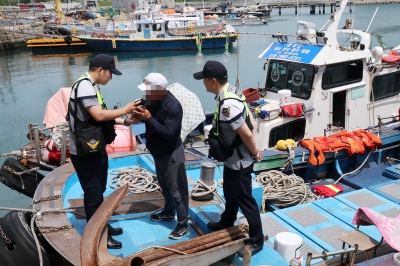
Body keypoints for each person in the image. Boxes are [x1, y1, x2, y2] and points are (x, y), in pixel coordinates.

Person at [67, 54, 139, 249]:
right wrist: (125, 109)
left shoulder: (92, 86)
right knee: (93, 194)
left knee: (99, 190)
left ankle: (102, 226)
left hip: (94, 149)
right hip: (85, 152)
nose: (111, 77)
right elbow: (98, 115)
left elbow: (101, 116)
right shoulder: (84, 86)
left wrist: (125, 121)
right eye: (110, 73)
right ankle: (98, 236)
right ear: (100, 70)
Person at [193, 60, 264, 257]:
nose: (203, 83)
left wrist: (254, 151)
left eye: (204, 79)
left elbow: (246, 134)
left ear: (213, 80)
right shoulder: (232, 92)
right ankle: (227, 219)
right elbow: (250, 120)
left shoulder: (228, 105)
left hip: (240, 160)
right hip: (233, 159)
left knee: (245, 199)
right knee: (230, 191)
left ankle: (257, 239)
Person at [133, 73, 189, 240]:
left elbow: (169, 133)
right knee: (164, 186)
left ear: (159, 90)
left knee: (177, 189)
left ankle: (183, 223)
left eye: (148, 91)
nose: (146, 95)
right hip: (158, 152)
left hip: (171, 152)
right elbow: (147, 112)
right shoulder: (151, 100)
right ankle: (169, 211)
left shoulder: (173, 107)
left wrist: (148, 118)